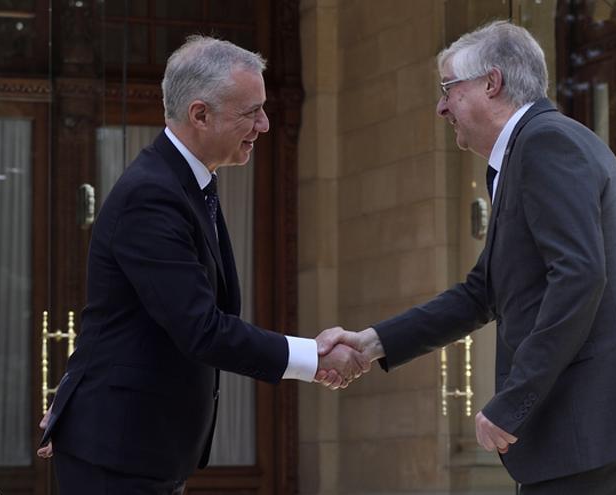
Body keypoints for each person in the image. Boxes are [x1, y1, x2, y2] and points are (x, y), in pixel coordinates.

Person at [318, 21, 616, 494]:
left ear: (491, 83)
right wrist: (371, 344)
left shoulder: (546, 144)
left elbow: (579, 277)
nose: (440, 106)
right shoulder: (529, 151)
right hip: (588, 427)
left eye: (448, 88)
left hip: (591, 420)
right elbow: (481, 293)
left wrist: (514, 401)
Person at [36, 36, 368, 494]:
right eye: (251, 112)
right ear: (199, 114)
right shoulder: (152, 195)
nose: (266, 125)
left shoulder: (189, 184)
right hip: (118, 450)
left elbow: (120, 317)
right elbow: (201, 328)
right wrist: (313, 357)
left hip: (147, 447)